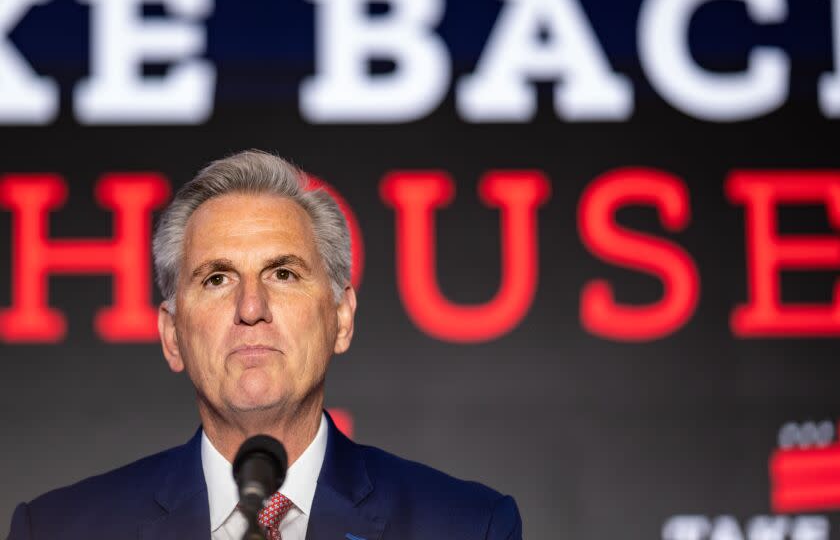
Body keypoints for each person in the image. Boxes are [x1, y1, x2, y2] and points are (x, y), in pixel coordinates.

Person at [6, 150, 522, 540]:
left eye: (282, 273)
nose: (251, 307)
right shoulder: (56, 529)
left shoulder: (467, 526)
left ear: (341, 318)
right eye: (217, 279)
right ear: (172, 335)